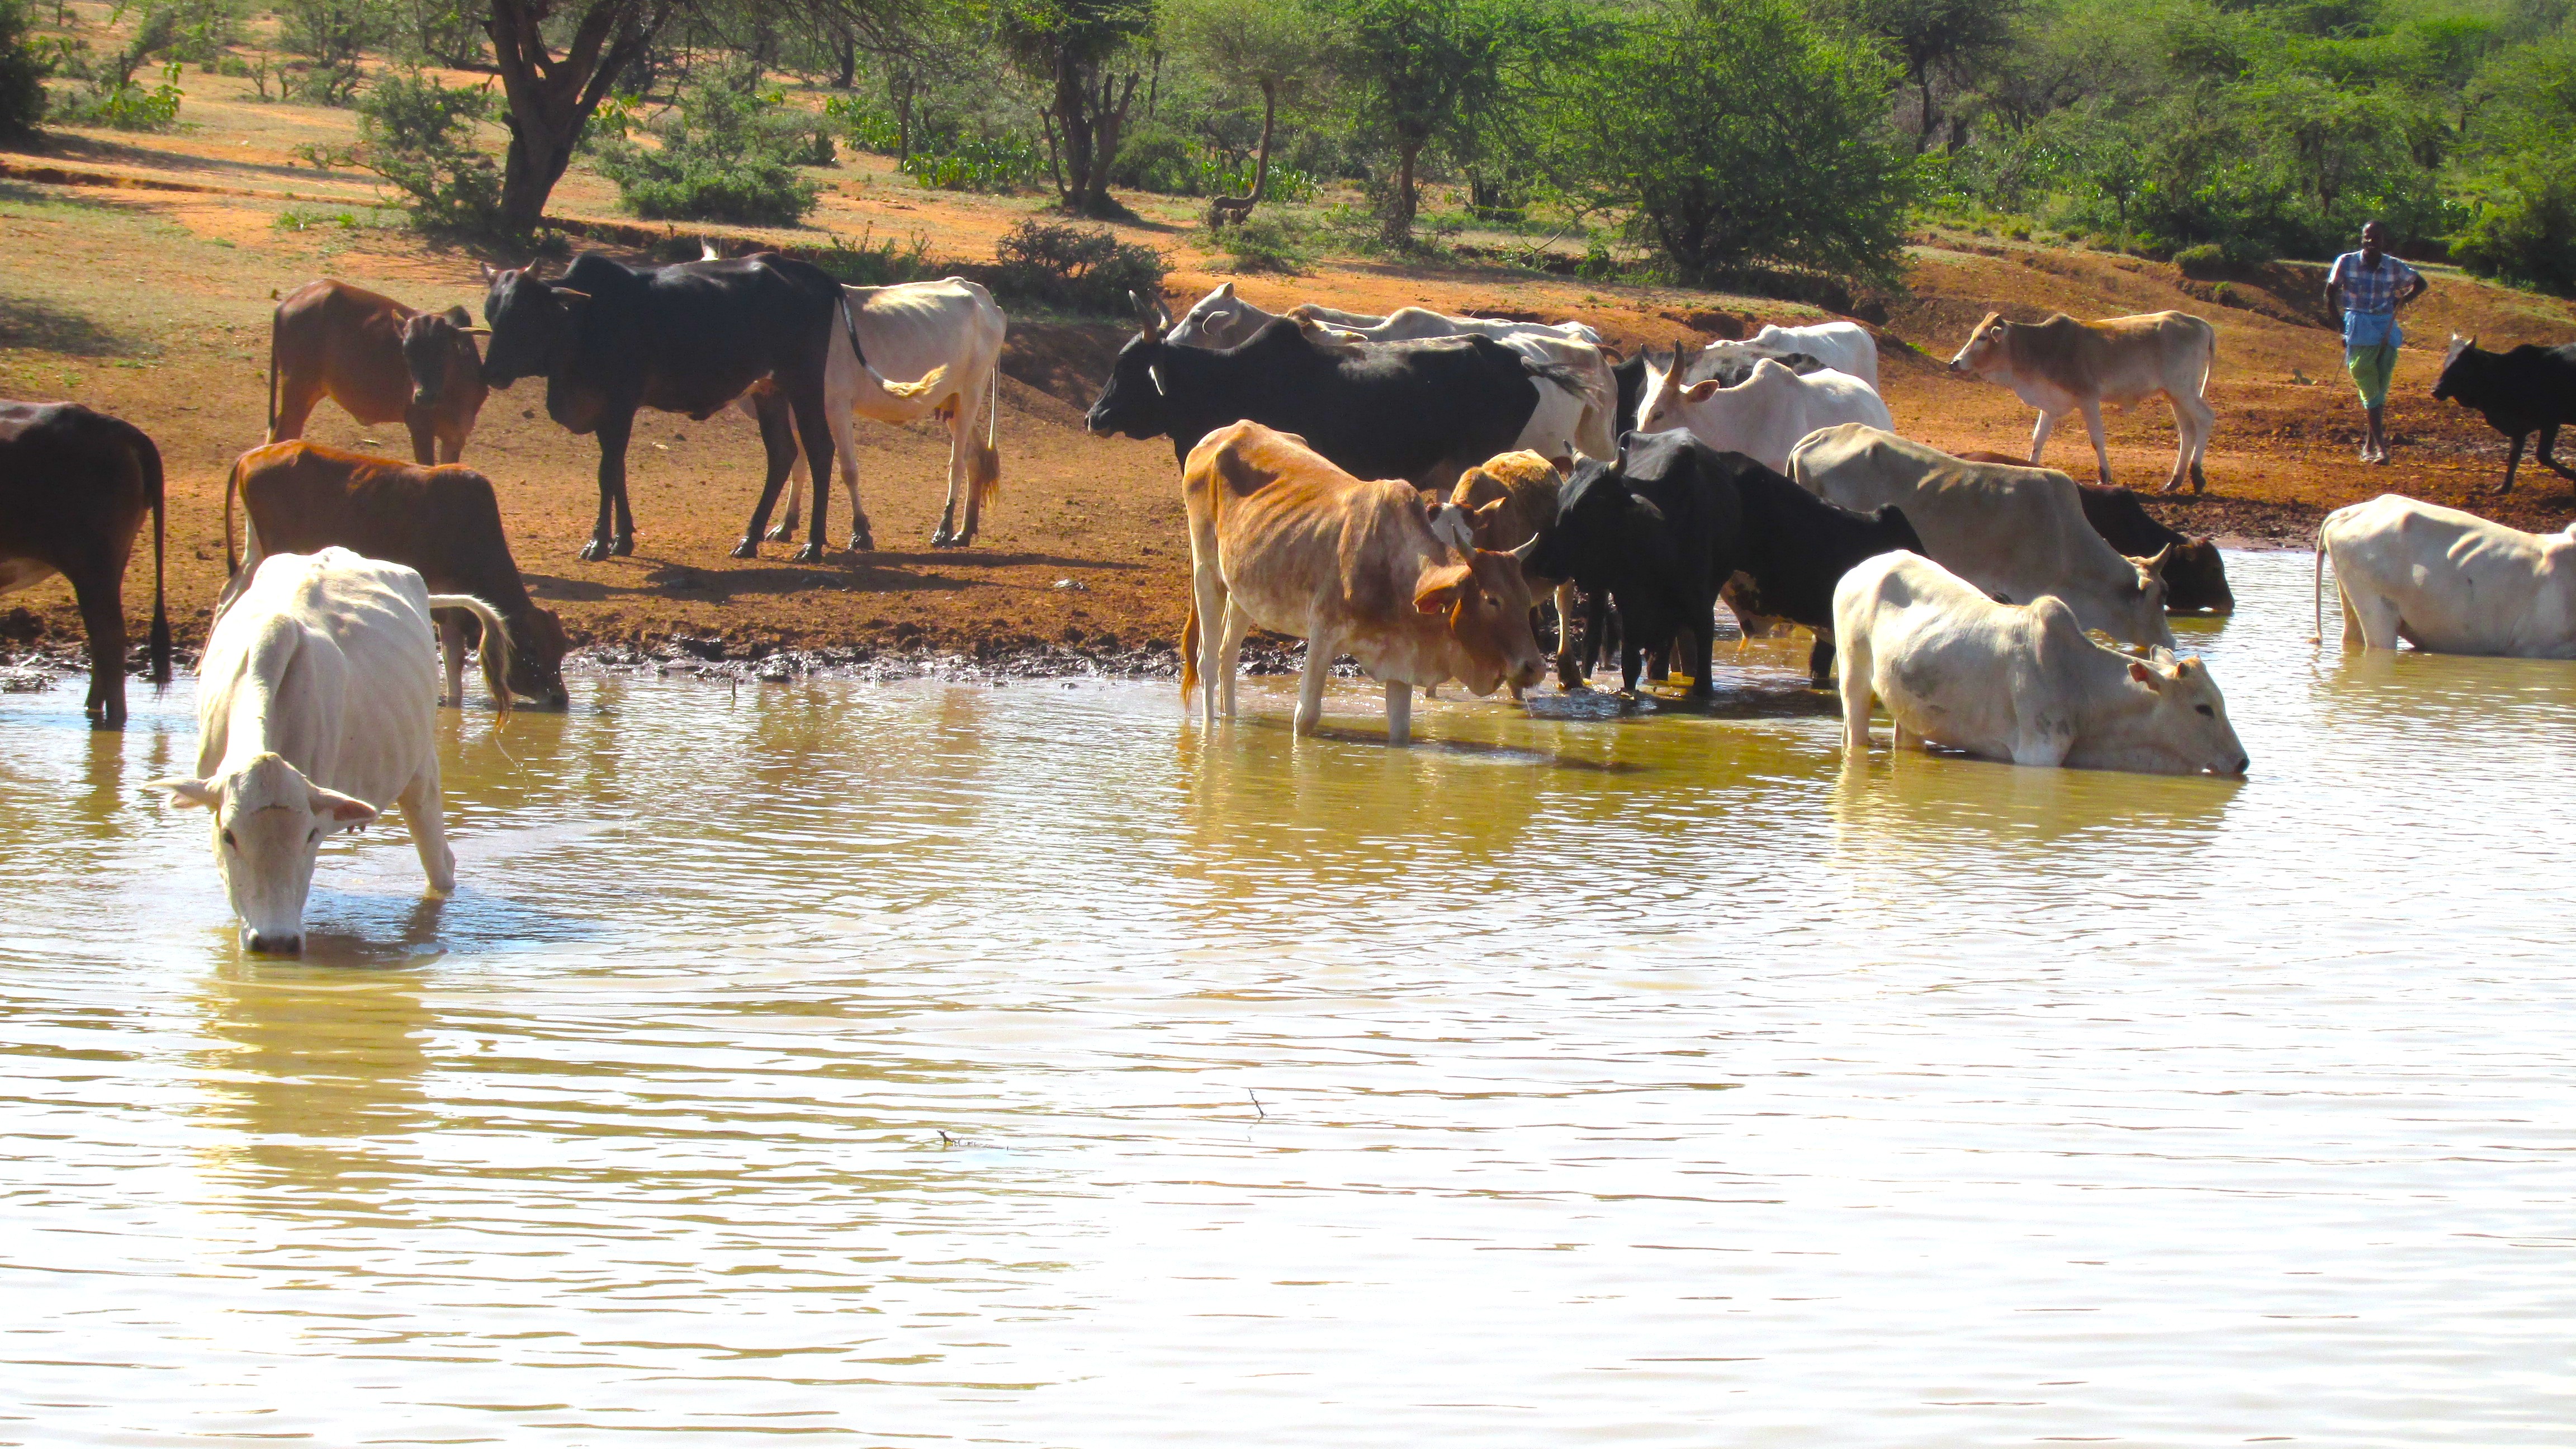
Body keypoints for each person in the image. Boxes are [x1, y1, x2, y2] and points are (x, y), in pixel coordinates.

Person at [2324, 220, 2429, 465]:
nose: (2371, 241)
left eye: (2376, 238)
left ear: (2383, 241)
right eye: (2367, 237)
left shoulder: (2394, 266)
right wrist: (2342, 329)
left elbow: (2421, 283)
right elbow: (2329, 295)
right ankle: (2382, 449)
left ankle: (2370, 447)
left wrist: (2401, 302)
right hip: (2358, 325)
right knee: (2365, 379)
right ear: (2362, 238)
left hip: (2386, 327)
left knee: (2379, 389)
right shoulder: (2346, 261)